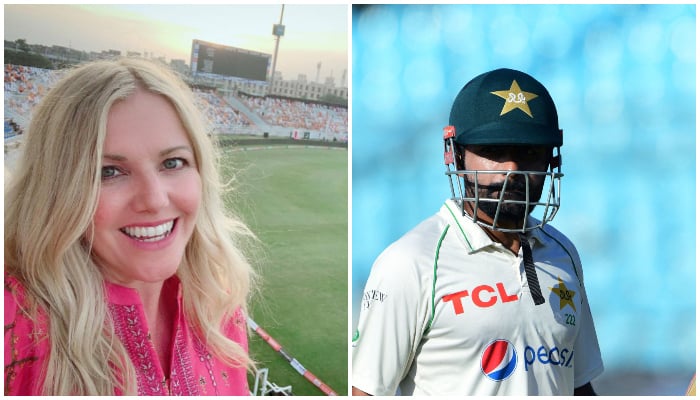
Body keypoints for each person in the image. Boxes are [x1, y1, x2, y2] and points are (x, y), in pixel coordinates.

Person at [4, 58, 257, 395]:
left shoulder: (219, 305)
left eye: (172, 162)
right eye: (108, 171)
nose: (153, 199)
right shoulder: (15, 323)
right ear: (57, 190)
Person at [352, 68, 604, 396]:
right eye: (495, 152)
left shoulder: (562, 254)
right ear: (456, 155)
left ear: (550, 161)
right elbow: (367, 391)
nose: (512, 170)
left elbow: (577, 385)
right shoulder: (410, 263)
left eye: (529, 152)